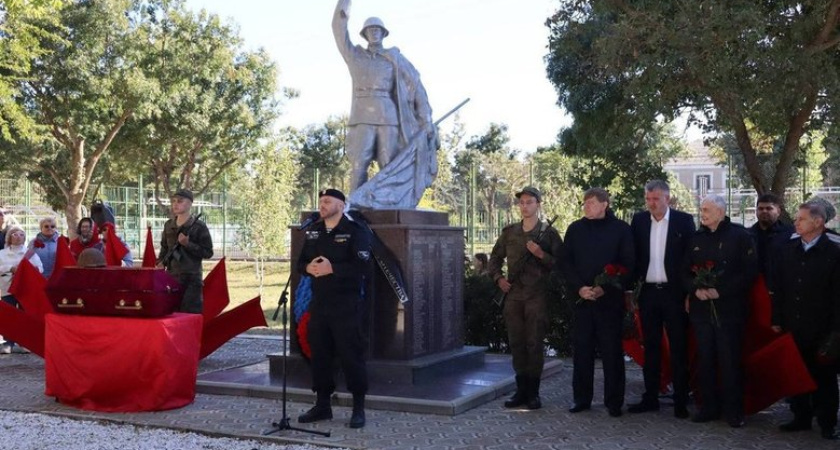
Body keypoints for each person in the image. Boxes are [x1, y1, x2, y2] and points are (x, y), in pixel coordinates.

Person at [332, 0, 437, 208]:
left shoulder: (394, 58)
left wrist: (425, 119)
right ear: (364, 34)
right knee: (359, 163)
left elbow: (416, 86)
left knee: (388, 164)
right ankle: (353, 208)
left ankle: (390, 203)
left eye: (378, 29)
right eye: (370, 29)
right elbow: (338, 28)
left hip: (388, 117)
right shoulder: (355, 55)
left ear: (383, 33)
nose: (374, 32)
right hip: (362, 116)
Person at [296, 188, 372, 428]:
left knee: (351, 355)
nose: (322, 205)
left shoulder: (355, 231)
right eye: (321, 201)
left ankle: (358, 407)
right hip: (319, 304)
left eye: (327, 201)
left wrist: (334, 269)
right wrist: (308, 268)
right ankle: (322, 405)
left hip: (346, 305)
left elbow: (363, 267)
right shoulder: (314, 231)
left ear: (341, 205)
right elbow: (301, 263)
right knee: (320, 355)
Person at [487, 186, 564, 410]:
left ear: (538, 204)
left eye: (529, 202)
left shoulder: (549, 233)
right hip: (513, 296)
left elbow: (562, 264)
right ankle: (520, 391)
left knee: (534, 343)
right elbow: (494, 259)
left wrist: (541, 254)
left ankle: (533, 393)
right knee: (517, 343)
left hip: (536, 296)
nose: (525, 206)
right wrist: (498, 279)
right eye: (522, 202)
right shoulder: (510, 232)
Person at [683, 195, 756, 428]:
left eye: (707, 210)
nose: (702, 213)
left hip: (729, 310)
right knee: (705, 360)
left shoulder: (740, 236)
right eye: (701, 209)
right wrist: (695, 289)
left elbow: (749, 273)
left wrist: (720, 291)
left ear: (721, 212)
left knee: (730, 360)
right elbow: (683, 272)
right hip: (701, 309)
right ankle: (708, 407)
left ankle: (734, 410)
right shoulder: (695, 238)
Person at [770, 202, 840, 440]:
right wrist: (777, 318)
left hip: (822, 326)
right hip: (794, 323)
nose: (796, 223)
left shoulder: (834, 250)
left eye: (801, 219)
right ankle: (801, 417)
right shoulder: (789, 248)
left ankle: (828, 422)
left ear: (818, 222)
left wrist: (836, 330)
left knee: (824, 377)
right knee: (796, 373)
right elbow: (778, 287)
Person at [627, 180, 696, 418]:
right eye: (648, 199)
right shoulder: (639, 221)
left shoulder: (683, 221)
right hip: (648, 293)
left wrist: (689, 292)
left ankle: (681, 401)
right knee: (651, 347)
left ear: (667, 198)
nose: (651, 203)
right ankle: (650, 397)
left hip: (674, 294)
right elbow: (634, 256)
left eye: (656, 199)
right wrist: (630, 290)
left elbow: (690, 259)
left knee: (678, 347)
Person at [564, 188, 634, 417]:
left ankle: (614, 401)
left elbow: (629, 265)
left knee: (612, 353)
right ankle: (581, 399)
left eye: (592, 203)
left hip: (609, 302)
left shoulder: (621, 229)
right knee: (582, 352)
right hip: (582, 301)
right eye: (585, 203)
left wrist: (605, 288)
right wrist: (579, 288)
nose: (587, 206)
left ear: (605, 204)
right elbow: (566, 263)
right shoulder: (575, 229)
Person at [157, 189, 213, 314]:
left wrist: (188, 244)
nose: (175, 204)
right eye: (174, 201)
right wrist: (160, 262)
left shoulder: (199, 226)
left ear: (189, 204)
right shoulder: (168, 225)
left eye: (180, 201)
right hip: (172, 278)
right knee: (171, 314)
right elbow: (164, 248)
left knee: (189, 315)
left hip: (191, 280)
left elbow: (208, 252)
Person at [0, 226, 43, 354]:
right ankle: (8, 343)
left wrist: (28, 269)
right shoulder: (2, 253)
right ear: (9, 237)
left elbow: (40, 269)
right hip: (7, 288)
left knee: (25, 315)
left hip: (25, 289)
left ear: (24, 238)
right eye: (15, 234)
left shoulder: (30, 254)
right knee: (9, 316)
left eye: (21, 234)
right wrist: (10, 268)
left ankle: (25, 343)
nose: (18, 236)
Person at [748, 193, 793, 277]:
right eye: (760, 208)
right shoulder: (748, 235)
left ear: (778, 211)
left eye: (769, 208)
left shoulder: (790, 234)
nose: (764, 211)